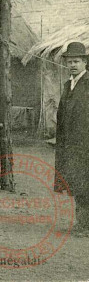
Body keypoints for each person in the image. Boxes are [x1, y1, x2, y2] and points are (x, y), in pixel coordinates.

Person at [54, 41, 89, 235]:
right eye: (70, 62)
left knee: (86, 183)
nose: (73, 65)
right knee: (77, 182)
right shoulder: (69, 84)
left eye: (77, 61)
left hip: (85, 143)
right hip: (70, 143)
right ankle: (82, 222)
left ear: (85, 62)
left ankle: (85, 225)